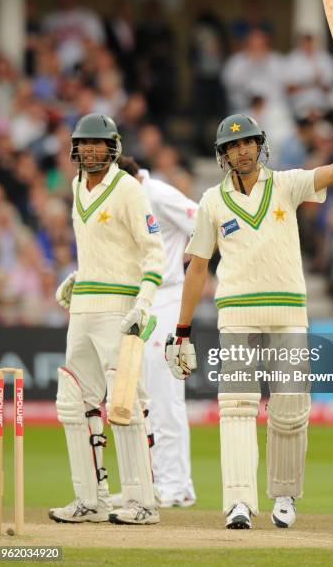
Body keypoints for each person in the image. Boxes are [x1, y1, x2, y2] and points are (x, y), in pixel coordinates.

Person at [165, 85, 333, 529]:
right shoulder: (211, 201)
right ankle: (239, 503)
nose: (242, 151)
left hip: (288, 312)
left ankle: (284, 497)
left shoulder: (285, 184)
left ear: (260, 146)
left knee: (289, 407)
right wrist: (182, 329)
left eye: (248, 143)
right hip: (237, 314)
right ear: (223, 154)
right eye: (233, 145)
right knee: (237, 407)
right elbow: (198, 268)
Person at [48, 113, 164, 525]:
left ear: (113, 147)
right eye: (84, 144)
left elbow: (153, 251)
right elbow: (105, 249)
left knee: (124, 403)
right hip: (83, 310)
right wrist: (80, 277)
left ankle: (142, 503)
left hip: (119, 309)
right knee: (72, 403)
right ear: (75, 149)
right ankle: (90, 500)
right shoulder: (78, 186)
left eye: (99, 143)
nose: (91, 150)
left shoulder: (128, 189)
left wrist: (144, 303)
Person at [116, 156, 198, 508]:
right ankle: (150, 482)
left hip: (166, 296)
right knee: (141, 395)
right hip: (140, 300)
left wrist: (183, 264)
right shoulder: (126, 196)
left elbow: (203, 223)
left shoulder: (159, 194)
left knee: (165, 392)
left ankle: (177, 485)